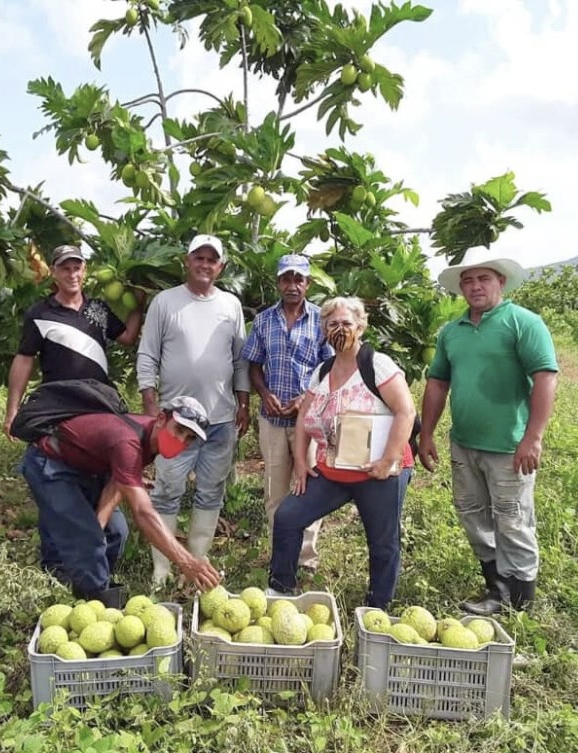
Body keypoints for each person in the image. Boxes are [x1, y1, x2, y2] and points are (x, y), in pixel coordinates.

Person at [418, 248, 559, 613]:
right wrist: (427, 433)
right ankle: (497, 589)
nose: (475, 286)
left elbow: (545, 378)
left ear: (501, 281)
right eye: (468, 280)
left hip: (508, 446)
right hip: (464, 443)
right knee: (472, 514)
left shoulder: (524, 323)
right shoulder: (453, 332)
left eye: (483, 278)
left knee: (512, 519)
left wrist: (533, 438)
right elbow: (437, 383)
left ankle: (521, 601)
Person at [4, 244, 145, 575]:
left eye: (77, 268)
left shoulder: (97, 309)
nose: (72, 274)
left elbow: (126, 337)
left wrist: (139, 305)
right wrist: (13, 410)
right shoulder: (40, 314)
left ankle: (98, 548)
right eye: (65, 268)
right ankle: (54, 565)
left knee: (95, 472)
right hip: (58, 409)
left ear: (85, 271)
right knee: (54, 480)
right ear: (54, 272)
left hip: (98, 407)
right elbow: (24, 359)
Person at [268, 296, 417, 609]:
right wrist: (299, 461)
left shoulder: (377, 364)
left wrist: (389, 459)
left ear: (360, 326)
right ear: (324, 330)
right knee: (288, 517)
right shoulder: (322, 371)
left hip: (378, 472)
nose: (339, 329)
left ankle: (377, 608)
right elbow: (303, 417)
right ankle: (280, 590)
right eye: (332, 324)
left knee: (382, 542)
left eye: (346, 323)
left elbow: (406, 411)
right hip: (334, 471)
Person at [20, 396, 221, 603]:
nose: (181, 441)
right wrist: (186, 562)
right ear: (161, 419)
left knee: (115, 532)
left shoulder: (149, 440)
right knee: (87, 542)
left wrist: (99, 523)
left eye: (189, 438)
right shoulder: (128, 441)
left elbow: (118, 481)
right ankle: (83, 595)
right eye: (179, 430)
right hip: (50, 463)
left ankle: (89, 585)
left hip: (86, 470)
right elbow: (143, 512)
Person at [136, 234, 251, 585]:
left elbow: (240, 358)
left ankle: (197, 562)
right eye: (198, 258)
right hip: (175, 423)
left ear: (221, 267)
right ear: (186, 262)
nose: (204, 264)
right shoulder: (165, 302)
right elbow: (147, 353)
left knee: (210, 490)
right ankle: (164, 568)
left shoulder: (230, 305)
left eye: (211, 260)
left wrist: (243, 400)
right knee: (167, 492)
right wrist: (151, 401)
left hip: (219, 420)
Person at [242, 254, 334, 572]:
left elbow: (331, 368)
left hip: (308, 420)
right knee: (275, 488)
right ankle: (281, 555)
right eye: (286, 279)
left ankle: (306, 560)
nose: (292, 285)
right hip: (272, 419)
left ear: (308, 283)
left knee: (307, 487)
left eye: (299, 279)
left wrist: (305, 400)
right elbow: (253, 364)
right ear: (278, 283)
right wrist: (264, 394)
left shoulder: (322, 320)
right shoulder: (265, 320)